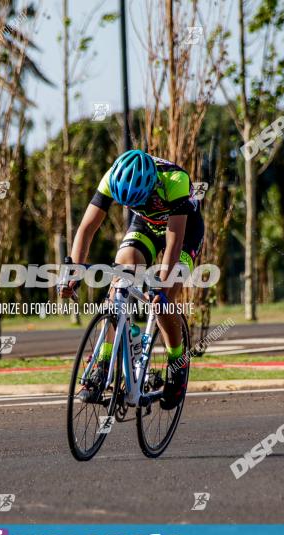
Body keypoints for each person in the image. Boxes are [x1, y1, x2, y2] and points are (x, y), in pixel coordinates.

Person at [59, 149, 204, 410]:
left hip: (183, 232)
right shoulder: (112, 177)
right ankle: (103, 362)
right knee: (121, 279)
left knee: (162, 303)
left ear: (152, 186)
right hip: (146, 225)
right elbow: (87, 228)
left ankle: (176, 362)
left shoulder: (175, 181)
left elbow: (173, 242)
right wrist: (74, 271)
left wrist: (160, 286)